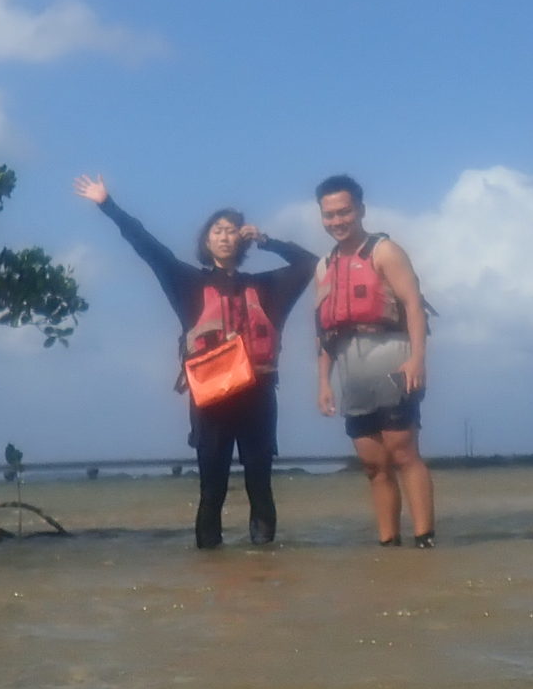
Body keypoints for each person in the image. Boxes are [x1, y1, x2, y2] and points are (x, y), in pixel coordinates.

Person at [73, 174, 318, 548]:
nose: (225, 235)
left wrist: (266, 240)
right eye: (217, 230)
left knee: (260, 483)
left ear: (243, 238)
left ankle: (266, 569)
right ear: (206, 240)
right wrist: (108, 204)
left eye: (233, 230)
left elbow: (309, 264)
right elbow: (147, 246)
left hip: (258, 397)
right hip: (211, 400)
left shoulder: (267, 288)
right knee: (211, 488)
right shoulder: (187, 284)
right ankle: (210, 570)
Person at [312, 173, 435, 547]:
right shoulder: (324, 266)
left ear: (360, 210)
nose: (337, 221)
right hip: (351, 367)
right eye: (329, 215)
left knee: (402, 451)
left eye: (344, 212)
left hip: (392, 356)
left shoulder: (384, 251)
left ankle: (425, 539)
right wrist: (323, 382)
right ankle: (388, 543)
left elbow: (413, 304)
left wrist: (417, 359)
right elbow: (324, 332)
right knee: (372, 463)